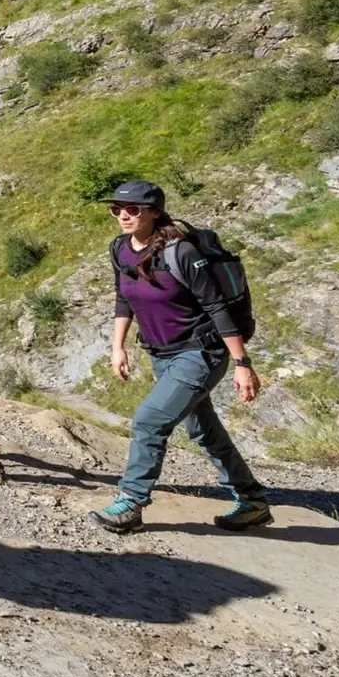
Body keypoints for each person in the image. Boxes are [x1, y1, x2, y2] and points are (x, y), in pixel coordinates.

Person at [88, 180, 270, 534]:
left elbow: (217, 308)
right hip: (161, 354)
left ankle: (131, 502)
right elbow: (123, 298)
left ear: (154, 212)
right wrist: (117, 346)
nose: (123, 215)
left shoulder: (181, 253)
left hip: (200, 353)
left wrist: (242, 364)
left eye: (133, 209)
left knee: (149, 421)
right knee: (203, 429)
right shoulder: (120, 249)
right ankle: (253, 501)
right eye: (116, 209)